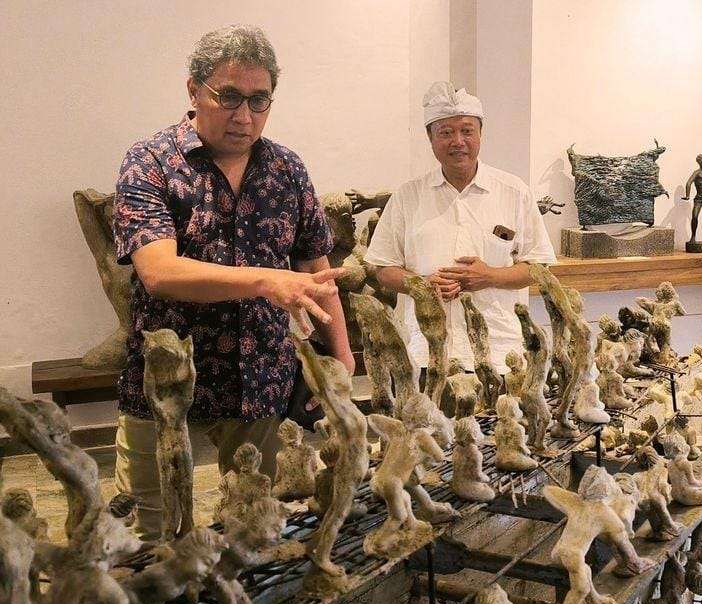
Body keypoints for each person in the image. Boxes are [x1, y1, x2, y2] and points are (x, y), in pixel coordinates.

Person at [111, 25, 350, 538]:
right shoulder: (151, 162)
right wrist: (265, 281)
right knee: (154, 534)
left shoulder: (287, 169)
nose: (244, 116)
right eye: (229, 97)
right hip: (166, 381)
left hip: (259, 376)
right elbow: (159, 272)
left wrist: (343, 358)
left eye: (259, 101)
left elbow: (317, 268)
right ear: (193, 90)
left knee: (255, 524)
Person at [365, 82, 556, 373]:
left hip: (499, 352)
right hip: (427, 352)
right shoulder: (408, 196)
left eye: (467, 131)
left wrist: (489, 276)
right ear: (430, 138)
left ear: (480, 134)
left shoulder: (514, 192)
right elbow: (383, 269)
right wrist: (422, 285)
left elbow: (539, 267)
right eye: (446, 133)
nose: (458, 141)